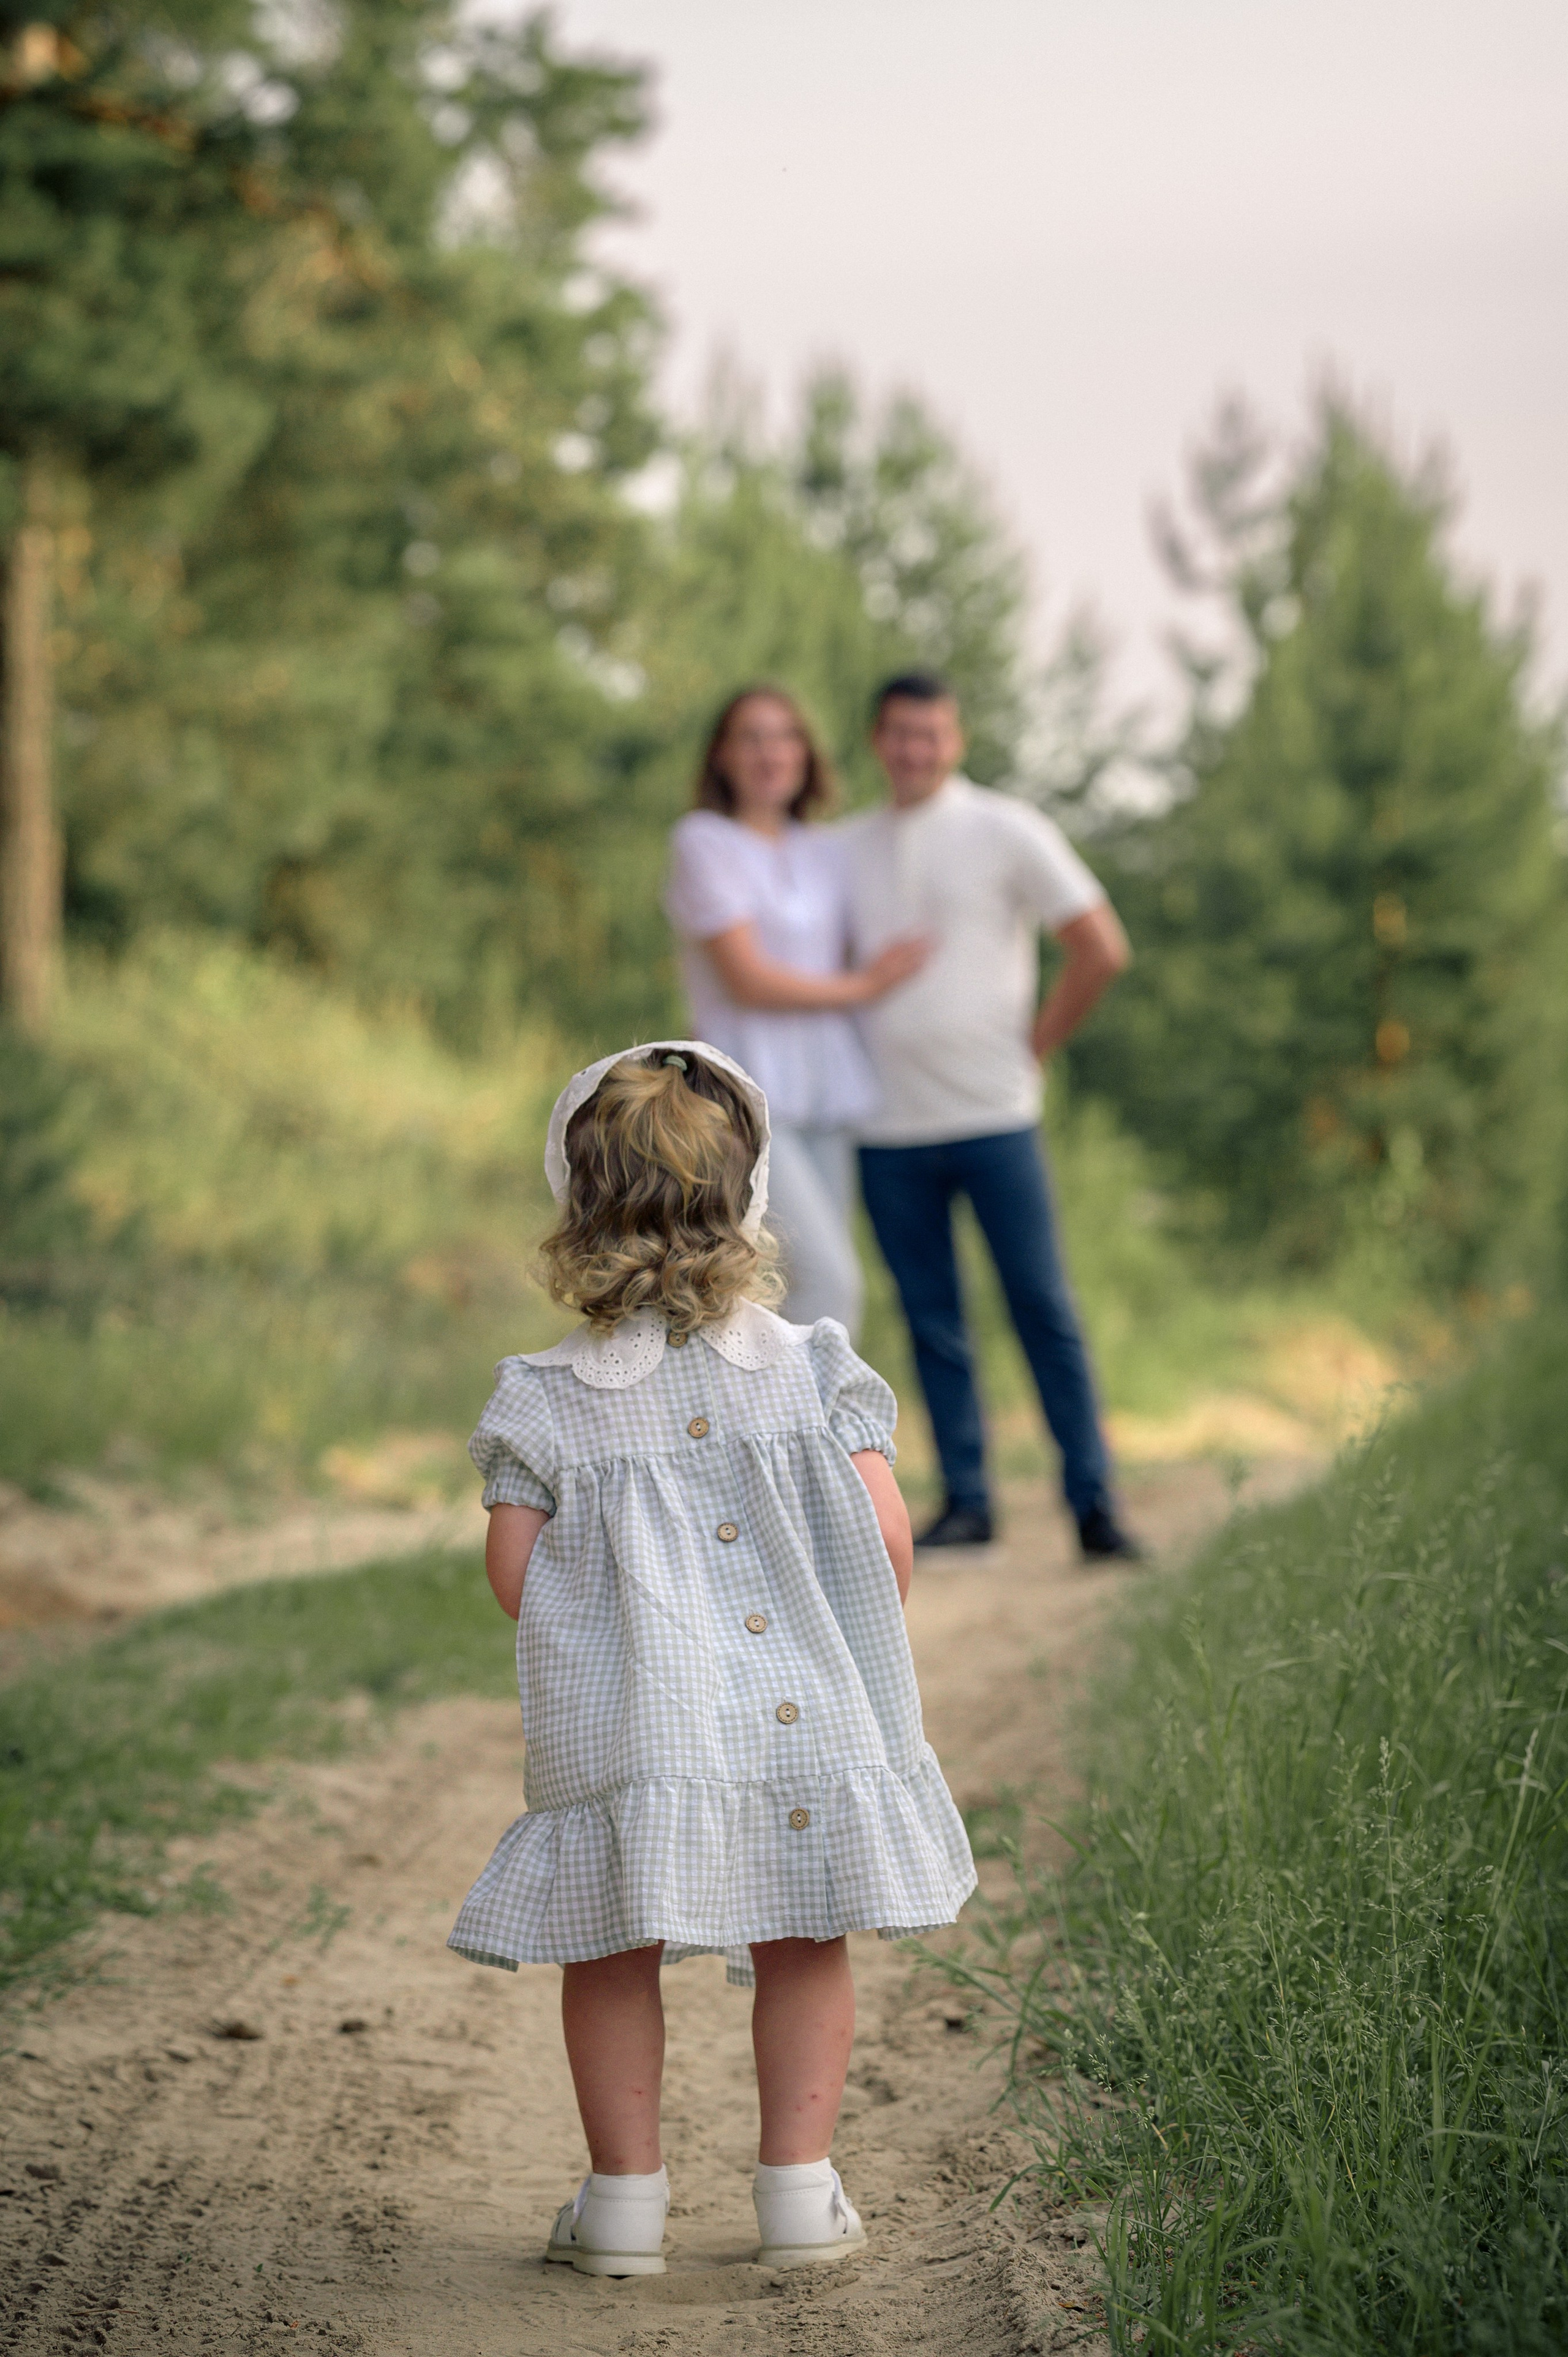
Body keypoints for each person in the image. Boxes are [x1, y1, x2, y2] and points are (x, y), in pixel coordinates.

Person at [448, 1041, 975, 2278]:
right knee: (805, 1936)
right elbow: (885, 1545)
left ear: (573, 1206)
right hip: (805, 1711)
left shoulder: (541, 1397)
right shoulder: (817, 1369)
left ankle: (623, 2203)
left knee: (611, 1940)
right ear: (749, 1197)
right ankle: (797, 2192)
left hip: (632, 1719)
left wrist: (609, 1633)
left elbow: (515, 1577)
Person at [840, 671, 1140, 1562]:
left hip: (995, 1118)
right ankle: (968, 1503)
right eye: (899, 734)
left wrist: (1035, 1048)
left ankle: (1094, 1504)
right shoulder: (845, 848)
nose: (915, 750)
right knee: (932, 1319)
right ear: (876, 741)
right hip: (887, 1125)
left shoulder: (1007, 829)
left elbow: (1101, 946)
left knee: (1042, 1306)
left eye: (931, 734)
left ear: (956, 741)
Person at [663, 687, 925, 1337]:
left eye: (784, 735)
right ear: (721, 755)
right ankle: (819, 1437)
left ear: (805, 753)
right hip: (746, 1097)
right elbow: (747, 979)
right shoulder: (704, 841)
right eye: (750, 737)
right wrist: (864, 985)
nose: (769, 751)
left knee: (785, 1292)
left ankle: (794, 1435)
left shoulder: (825, 850)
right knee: (826, 1280)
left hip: (830, 1091)